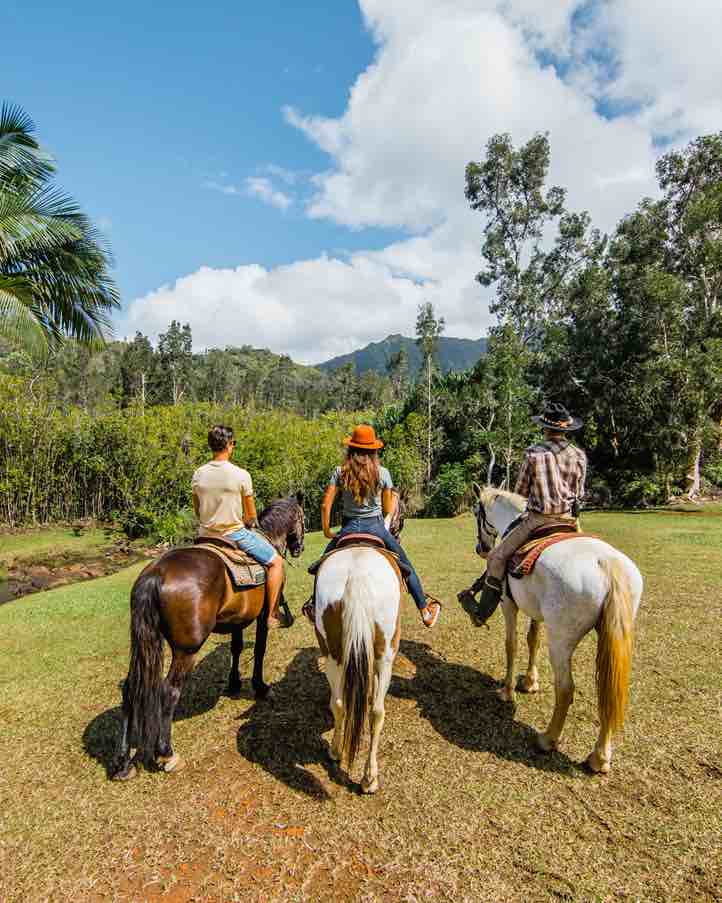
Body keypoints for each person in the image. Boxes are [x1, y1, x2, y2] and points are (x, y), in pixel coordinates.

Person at [461, 402, 587, 627]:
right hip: (570, 521)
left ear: (545, 429)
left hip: (538, 520)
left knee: (497, 558)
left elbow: (520, 494)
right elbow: (580, 494)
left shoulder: (534, 454)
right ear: (566, 429)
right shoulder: (579, 455)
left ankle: (481, 613)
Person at [303, 424, 442, 628]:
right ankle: (424, 610)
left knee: (322, 565)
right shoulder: (383, 473)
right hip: (376, 528)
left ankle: (315, 606)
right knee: (407, 567)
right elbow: (387, 509)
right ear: (374, 450)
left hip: (347, 529)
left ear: (351, 449)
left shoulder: (339, 472)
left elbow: (326, 505)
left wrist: (326, 531)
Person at [192, 425, 285, 628]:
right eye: (233, 443)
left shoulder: (198, 473)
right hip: (234, 534)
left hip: (204, 535)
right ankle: (272, 615)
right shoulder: (241, 474)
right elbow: (251, 516)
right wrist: (246, 521)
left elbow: (198, 510)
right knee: (276, 562)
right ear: (229, 445)